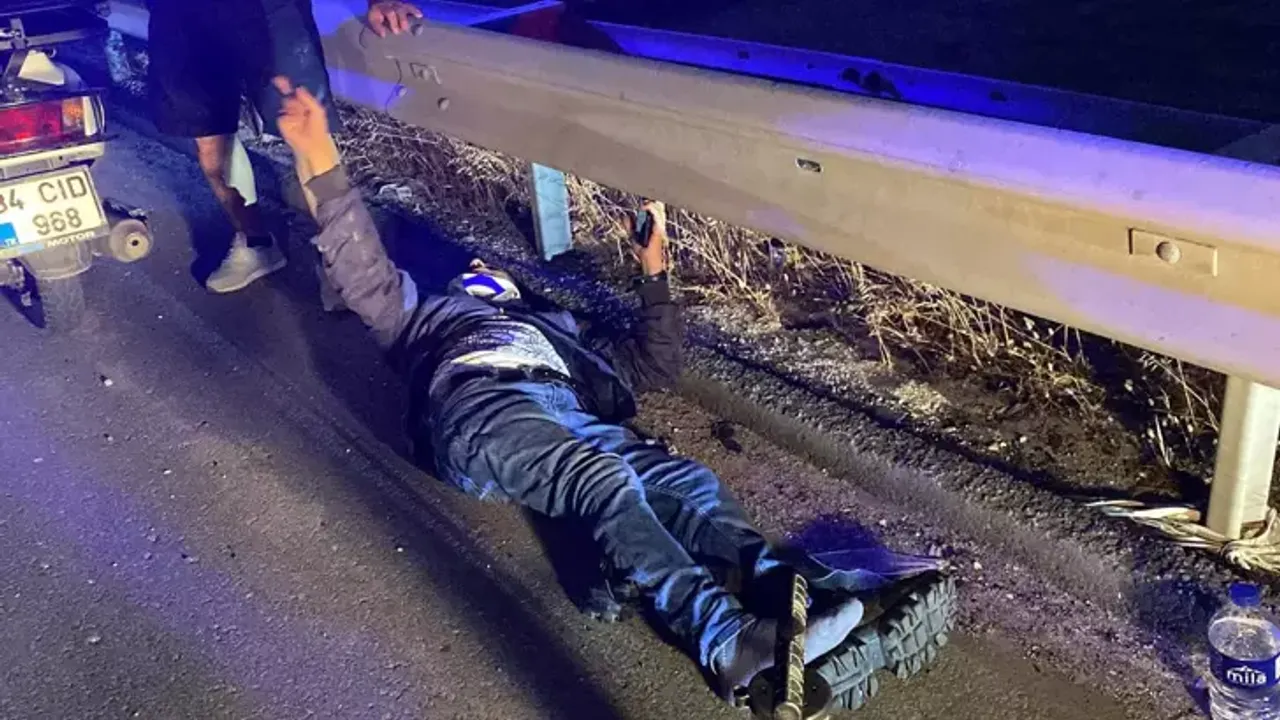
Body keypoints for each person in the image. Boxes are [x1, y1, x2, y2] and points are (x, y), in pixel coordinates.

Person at [270, 76, 954, 701]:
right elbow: (364, 274)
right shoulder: (426, 319)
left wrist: (654, 270)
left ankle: (780, 593)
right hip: (478, 406)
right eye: (468, 272)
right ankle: (728, 642)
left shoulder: (562, 339)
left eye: (487, 271)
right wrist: (321, 163)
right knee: (599, 479)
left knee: (688, 483)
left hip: (565, 410)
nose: (477, 270)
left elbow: (655, 365)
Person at [147, 0, 422, 295]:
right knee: (207, 137)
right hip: (179, 11)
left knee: (307, 130)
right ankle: (256, 244)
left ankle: (350, 272)